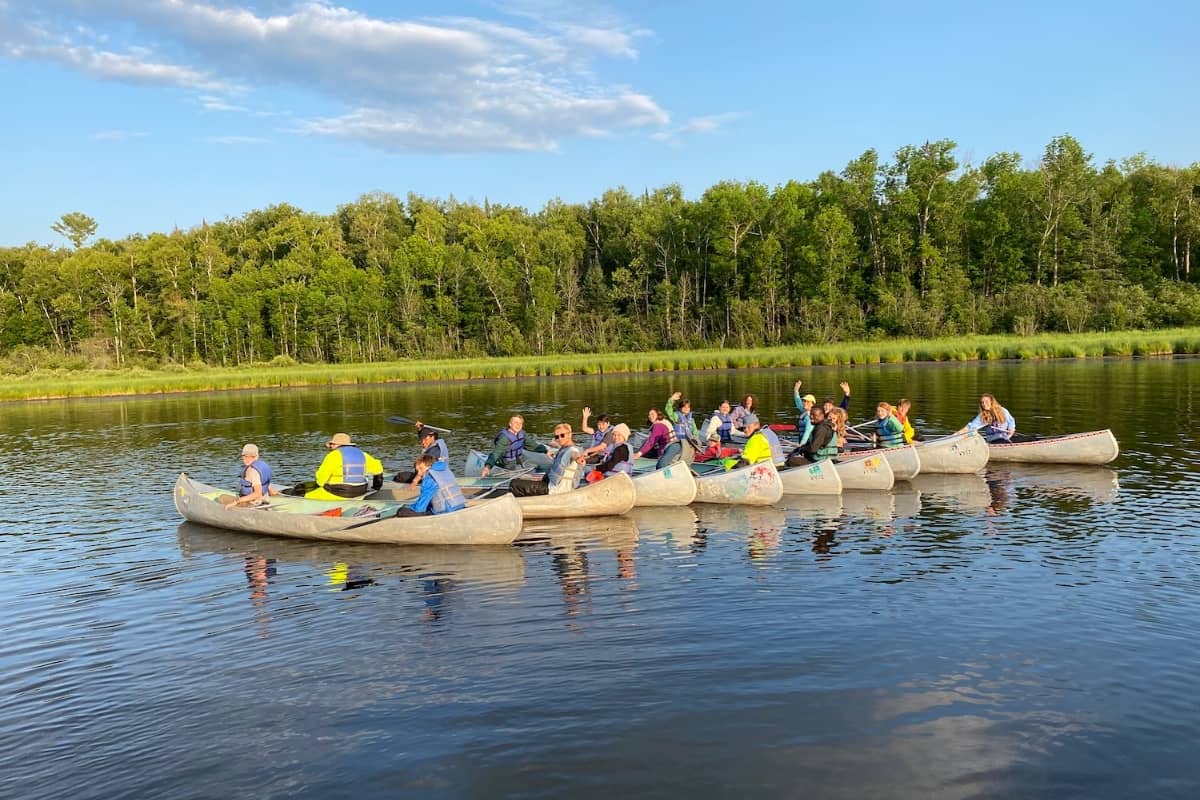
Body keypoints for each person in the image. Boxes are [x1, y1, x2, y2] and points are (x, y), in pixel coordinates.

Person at [509, 423, 587, 497]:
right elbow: (562, 451)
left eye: (562, 435)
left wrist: (578, 459)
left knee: (514, 484)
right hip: (552, 483)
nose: (559, 438)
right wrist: (555, 445)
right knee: (525, 478)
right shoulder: (565, 448)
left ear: (570, 434)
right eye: (557, 437)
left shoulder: (573, 451)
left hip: (557, 490)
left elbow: (574, 455)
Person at [302, 432, 385, 501]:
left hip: (337, 493)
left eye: (331, 445)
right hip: (360, 492)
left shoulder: (333, 455)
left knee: (307, 495)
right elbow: (378, 469)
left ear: (336, 445)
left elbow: (321, 480)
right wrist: (376, 486)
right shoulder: (363, 454)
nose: (330, 447)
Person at [395, 454, 467, 517]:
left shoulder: (429, 477)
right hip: (459, 506)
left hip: (446, 511)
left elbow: (420, 508)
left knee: (401, 511)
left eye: (421, 468)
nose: (420, 473)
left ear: (428, 466)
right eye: (417, 471)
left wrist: (409, 507)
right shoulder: (445, 470)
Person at [481, 415, 550, 477]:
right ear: (510, 424)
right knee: (513, 474)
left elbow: (532, 445)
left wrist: (546, 451)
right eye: (515, 423)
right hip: (508, 463)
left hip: (520, 458)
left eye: (520, 423)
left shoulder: (522, 433)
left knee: (537, 467)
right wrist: (487, 467)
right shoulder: (504, 438)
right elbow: (496, 453)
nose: (518, 425)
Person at [225, 443, 283, 509]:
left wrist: (236, 501)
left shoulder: (252, 471)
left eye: (251, 456)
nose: (246, 459)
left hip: (253, 503)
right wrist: (274, 493)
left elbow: (257, 493)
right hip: (264, 500)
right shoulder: (262, 465)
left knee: (222, 497)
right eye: (245, 456)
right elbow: (268, 485)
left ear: (256, 456)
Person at [665, 391, 702, 461]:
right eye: (684, 407)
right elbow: (668, 410)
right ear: (680, 408)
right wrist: (671, 399)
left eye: (688, 407)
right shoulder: (676, 416)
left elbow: (695, 432)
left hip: (689, 443)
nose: (686, 408)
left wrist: (695, 442)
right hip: (679, 442)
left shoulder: (691, 420)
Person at [792, 381, 817, 447]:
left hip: (808, 443)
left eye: (808, 402)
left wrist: (801, 445)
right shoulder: (804, 411)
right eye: (804, 401)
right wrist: (796, 390)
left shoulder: (810, 416)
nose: (805, 403)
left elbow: (807, 432)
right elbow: (798, 402)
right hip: (803, 440)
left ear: (813, 404)